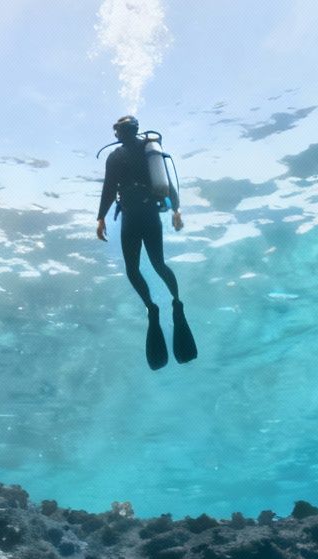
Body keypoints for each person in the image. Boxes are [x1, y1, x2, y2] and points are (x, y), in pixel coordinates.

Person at [98, 114, 196, 368]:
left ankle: (153, 308)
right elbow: (168, 184)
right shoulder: (151, 149)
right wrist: (176, 210)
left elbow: (109, 189)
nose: (117, 134)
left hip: (132, 217)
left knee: (135, 269)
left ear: (120, 132)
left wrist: (100, 219)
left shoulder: (117, 156)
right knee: (158, 264)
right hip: (149, 216)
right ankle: (175, 304)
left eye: (117, 130)